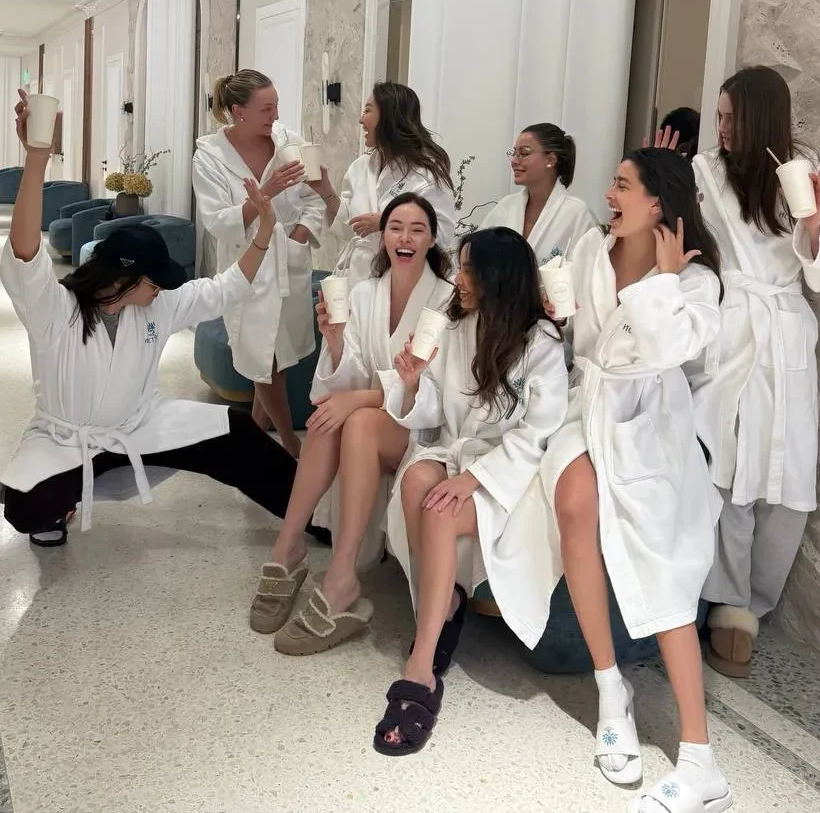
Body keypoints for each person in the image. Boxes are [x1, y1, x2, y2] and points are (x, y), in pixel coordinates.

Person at [0, 90, 325, 547]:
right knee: (25, 506)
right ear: (127, 277)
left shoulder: (158, 304)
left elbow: (225, 288)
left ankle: (314, 513)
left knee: (236, 432)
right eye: (156, 280)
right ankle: (60, 502)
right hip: (65, 440)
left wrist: (265, 233)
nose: (163, 289)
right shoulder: (54, 309)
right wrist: (37, 158)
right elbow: (25, 252)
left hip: (139, 425)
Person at [516, 148, 729, 813]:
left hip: (651, 425)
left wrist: (661, 281)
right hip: (589, 410)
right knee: (574, 501)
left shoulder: (696, 279)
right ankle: (611, 686)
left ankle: (699, 760)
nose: (609, 194)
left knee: (666, 572)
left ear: (659, 202)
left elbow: (668, 352)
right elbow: (576, 334)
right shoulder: (590, 249)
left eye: (622, 185)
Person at [689, 66, 820, 677]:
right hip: (729, 327)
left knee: (784, 475)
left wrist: (811, 221)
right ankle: (725, 601)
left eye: (731, 118)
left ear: (761, 117)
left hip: (783, 329)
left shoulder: (807, 171)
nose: (721, 129)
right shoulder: (705, 172)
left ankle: (753, 605)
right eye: (718, 117)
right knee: (726, 465)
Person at [373, 226, 570, 755]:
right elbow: (433, 411)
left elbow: (539, 432)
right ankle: (443, 606)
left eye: (467, 269)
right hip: (458, 452)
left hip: (512, 471)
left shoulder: (541, 342)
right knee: (416, 481)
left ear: (496, 277)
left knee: (439, 511)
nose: (457, 279)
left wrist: (474, 479)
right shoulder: (456, 327)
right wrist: (413, 382)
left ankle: (421, 664)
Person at [248, 193, 455, 653]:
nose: (405, 237)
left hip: (423, 426)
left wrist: (360, 398)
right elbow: (349, 375)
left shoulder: (447, 300)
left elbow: (439, 389)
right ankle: (288, 546)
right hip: (377, 417)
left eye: (417, 229)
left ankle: (341, 577)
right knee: (329, 417)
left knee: (355, 420)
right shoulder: (364, 293)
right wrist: (337, 340)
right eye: (395, 227)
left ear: (432, 240)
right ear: (383, 236)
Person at [192, 70, 328, 458]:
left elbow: (315, 199)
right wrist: (265, 193)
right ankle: (290, 447)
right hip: (245, 270)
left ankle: (250, 443)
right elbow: (218, 221)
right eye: (266, 108)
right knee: (262, 361)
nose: (275, 115)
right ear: (239, 112)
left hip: (288, 263)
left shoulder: (290, 144)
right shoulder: (210, 158)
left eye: (276, 106)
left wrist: (299, 235)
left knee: (276, 359)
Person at [316, 82, 456, 283]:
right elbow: (351, 228)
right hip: (359, 278)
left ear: (389, 117)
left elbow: (441, 234)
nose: (361, 119)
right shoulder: (361, 167)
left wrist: (387, 221)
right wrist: (326, 191)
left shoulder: (426, 174)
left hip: (404, 281)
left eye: (367, 110)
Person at [480, 122, 596, 262]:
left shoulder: (578, 214)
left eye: (524, 153)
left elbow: (589, 269)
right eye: (514, 153)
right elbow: (476, 254)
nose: (514, 161)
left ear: (550, 160)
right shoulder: (506, 207)